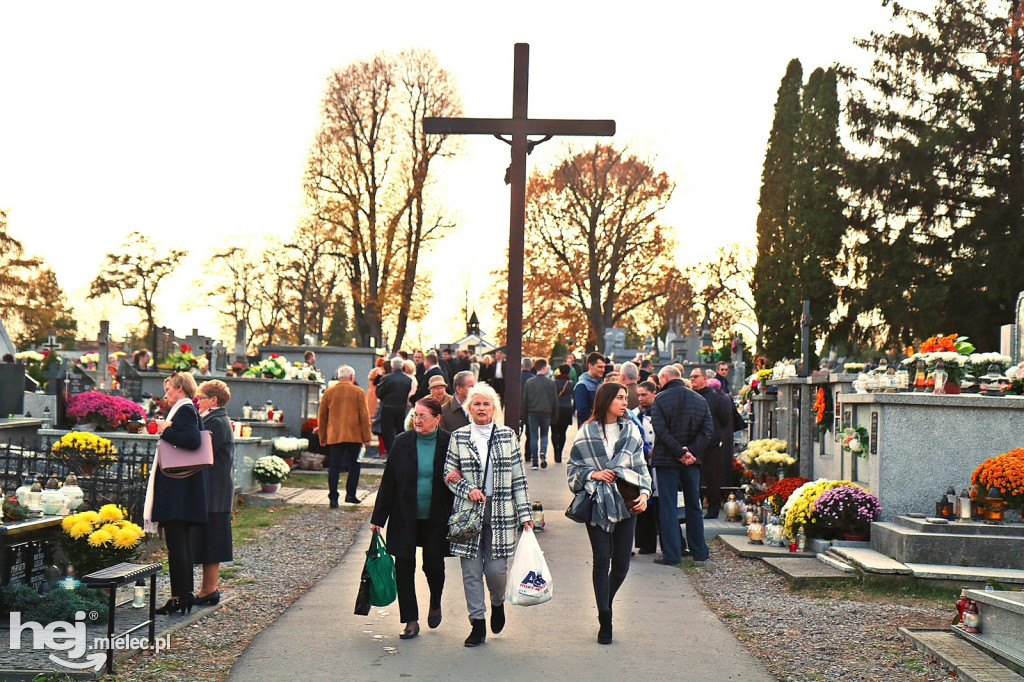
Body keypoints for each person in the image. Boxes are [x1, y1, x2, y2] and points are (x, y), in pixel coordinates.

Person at [443, 383, 533, 648]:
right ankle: (477, 623)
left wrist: (525, 513)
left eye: (486, 404)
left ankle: (497, 602)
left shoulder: (507, 436)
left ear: (494, 408)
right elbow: (448, 472)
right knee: (470, 571)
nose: (481, 408)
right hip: (468, 513)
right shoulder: (458, 437)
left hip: (502, 510)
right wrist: (467, 488)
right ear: (469, 408)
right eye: (476, 404)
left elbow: (519, 478)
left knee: (495, 570)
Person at [567, 381, 651, 645]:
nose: (625, 402)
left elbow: (641, 468)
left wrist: (646, 494)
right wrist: (593, 473)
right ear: (606, 401)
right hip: (597, 501)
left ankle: (606, 601)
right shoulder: (586, 432)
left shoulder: (632, 432)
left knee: (622, 563)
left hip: (628, 501)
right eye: (619, 398)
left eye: (626, 398)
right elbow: (573, 467)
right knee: (602, 559)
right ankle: (605, 618)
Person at [370, 397, 454, 639]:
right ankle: (410, 620)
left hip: (437, 517)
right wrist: (379, 518)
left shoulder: (449, 442)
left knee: (433, 566)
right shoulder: (402, 441)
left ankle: (435, 600)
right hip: (405, 516)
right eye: (415, 415)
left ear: (437, 419)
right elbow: (389, 481)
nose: (417, 420)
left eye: (423, 416)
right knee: (404, 567)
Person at [145, 371, 209, 615]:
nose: (166, 394)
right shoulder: (187, 410)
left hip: (178, 491)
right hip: (183, 490)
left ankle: (179, 597)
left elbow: (192, 440)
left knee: (177, 545)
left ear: (180, 388)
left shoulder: (184, 410)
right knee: (181, 545)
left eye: (169, 388)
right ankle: (183, 595)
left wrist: (165, 430)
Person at [650, 365, 713, 565]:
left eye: (660, 381)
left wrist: (679, 451)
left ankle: (672, 554)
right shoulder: (700, 399)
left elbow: (660, 429)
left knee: (668, 506)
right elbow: (707, 430)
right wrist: (690, 451)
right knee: (693, 505)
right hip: (692, 461)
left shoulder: (660, 399)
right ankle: (699, 551)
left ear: (665, 379)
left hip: (667, 459)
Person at [192, 380, 234, 606]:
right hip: (214, 492)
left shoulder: (216, 421)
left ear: (213, 400)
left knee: (212, 543)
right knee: (208, 541)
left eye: (201, 397)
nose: (197, 402)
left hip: (215, 494)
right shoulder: (214, 419)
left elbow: (201, 451)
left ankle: (209, 590)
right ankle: (208, 589)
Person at [318, 365, 372, 506]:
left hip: (335, 435)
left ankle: (333, 497)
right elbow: (364, 416)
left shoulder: (329, 392)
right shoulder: (358, 392)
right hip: (354, 435)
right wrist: (367, 436)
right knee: (354, 464)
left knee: (334, 466)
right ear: (352, 377)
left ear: (339, 377)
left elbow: (322, 416)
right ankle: (351, 494)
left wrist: (322, 436)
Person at [690, 369, 731, 519]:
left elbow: (724, 418)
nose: (693, 379)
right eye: (691, 377)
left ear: (705, 378)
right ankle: (695, 507)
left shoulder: (714, 397)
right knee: (694, 478)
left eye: (696, 376)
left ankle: (713, 509)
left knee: (712, 478)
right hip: (694, 444)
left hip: (711, 445)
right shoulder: (690, 395)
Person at [630, 380, 659, 554]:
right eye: (638, 395)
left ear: (653, 393)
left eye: (644, 395)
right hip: (644, 462)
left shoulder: (660, 412)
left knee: (659, 502)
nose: (640, 398)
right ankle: (646, 543)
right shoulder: (635, 414)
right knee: (645, 502)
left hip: (659, 462)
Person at [523, 358, 558, 470]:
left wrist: (523, 415)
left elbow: (525, 399)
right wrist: (555, 415)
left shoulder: (529, 382)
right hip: (546, 413)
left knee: (533, 436)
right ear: (544, 368)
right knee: (544, 435)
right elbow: (554, 400)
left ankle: (534, 463)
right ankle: (543, 452)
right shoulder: (551, 383)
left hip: (532, 412)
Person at [376, 358, 413, 454]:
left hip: (387, 407)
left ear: (392, 366)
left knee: (387, 432)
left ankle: (391, 451)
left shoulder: (386, 378)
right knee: (400, 430)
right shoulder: (408, 379)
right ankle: (400, 451)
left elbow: (379, 393)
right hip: (401, 408)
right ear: (402, 366)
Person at [574, 352, 606, 426]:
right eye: (600, 367)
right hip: (589, 429)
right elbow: (582, 412)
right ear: (590, 366)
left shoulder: (600, 384)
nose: (603, 370)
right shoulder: (582, 385)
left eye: (604, 367)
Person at [551, 364, 574, 464]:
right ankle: (560, 452)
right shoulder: (570, 384)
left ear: (559, 371)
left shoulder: (554, 383)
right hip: (567, 409)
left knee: (554, 432)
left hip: (555, 409)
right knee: (563, 432)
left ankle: (555, 451)